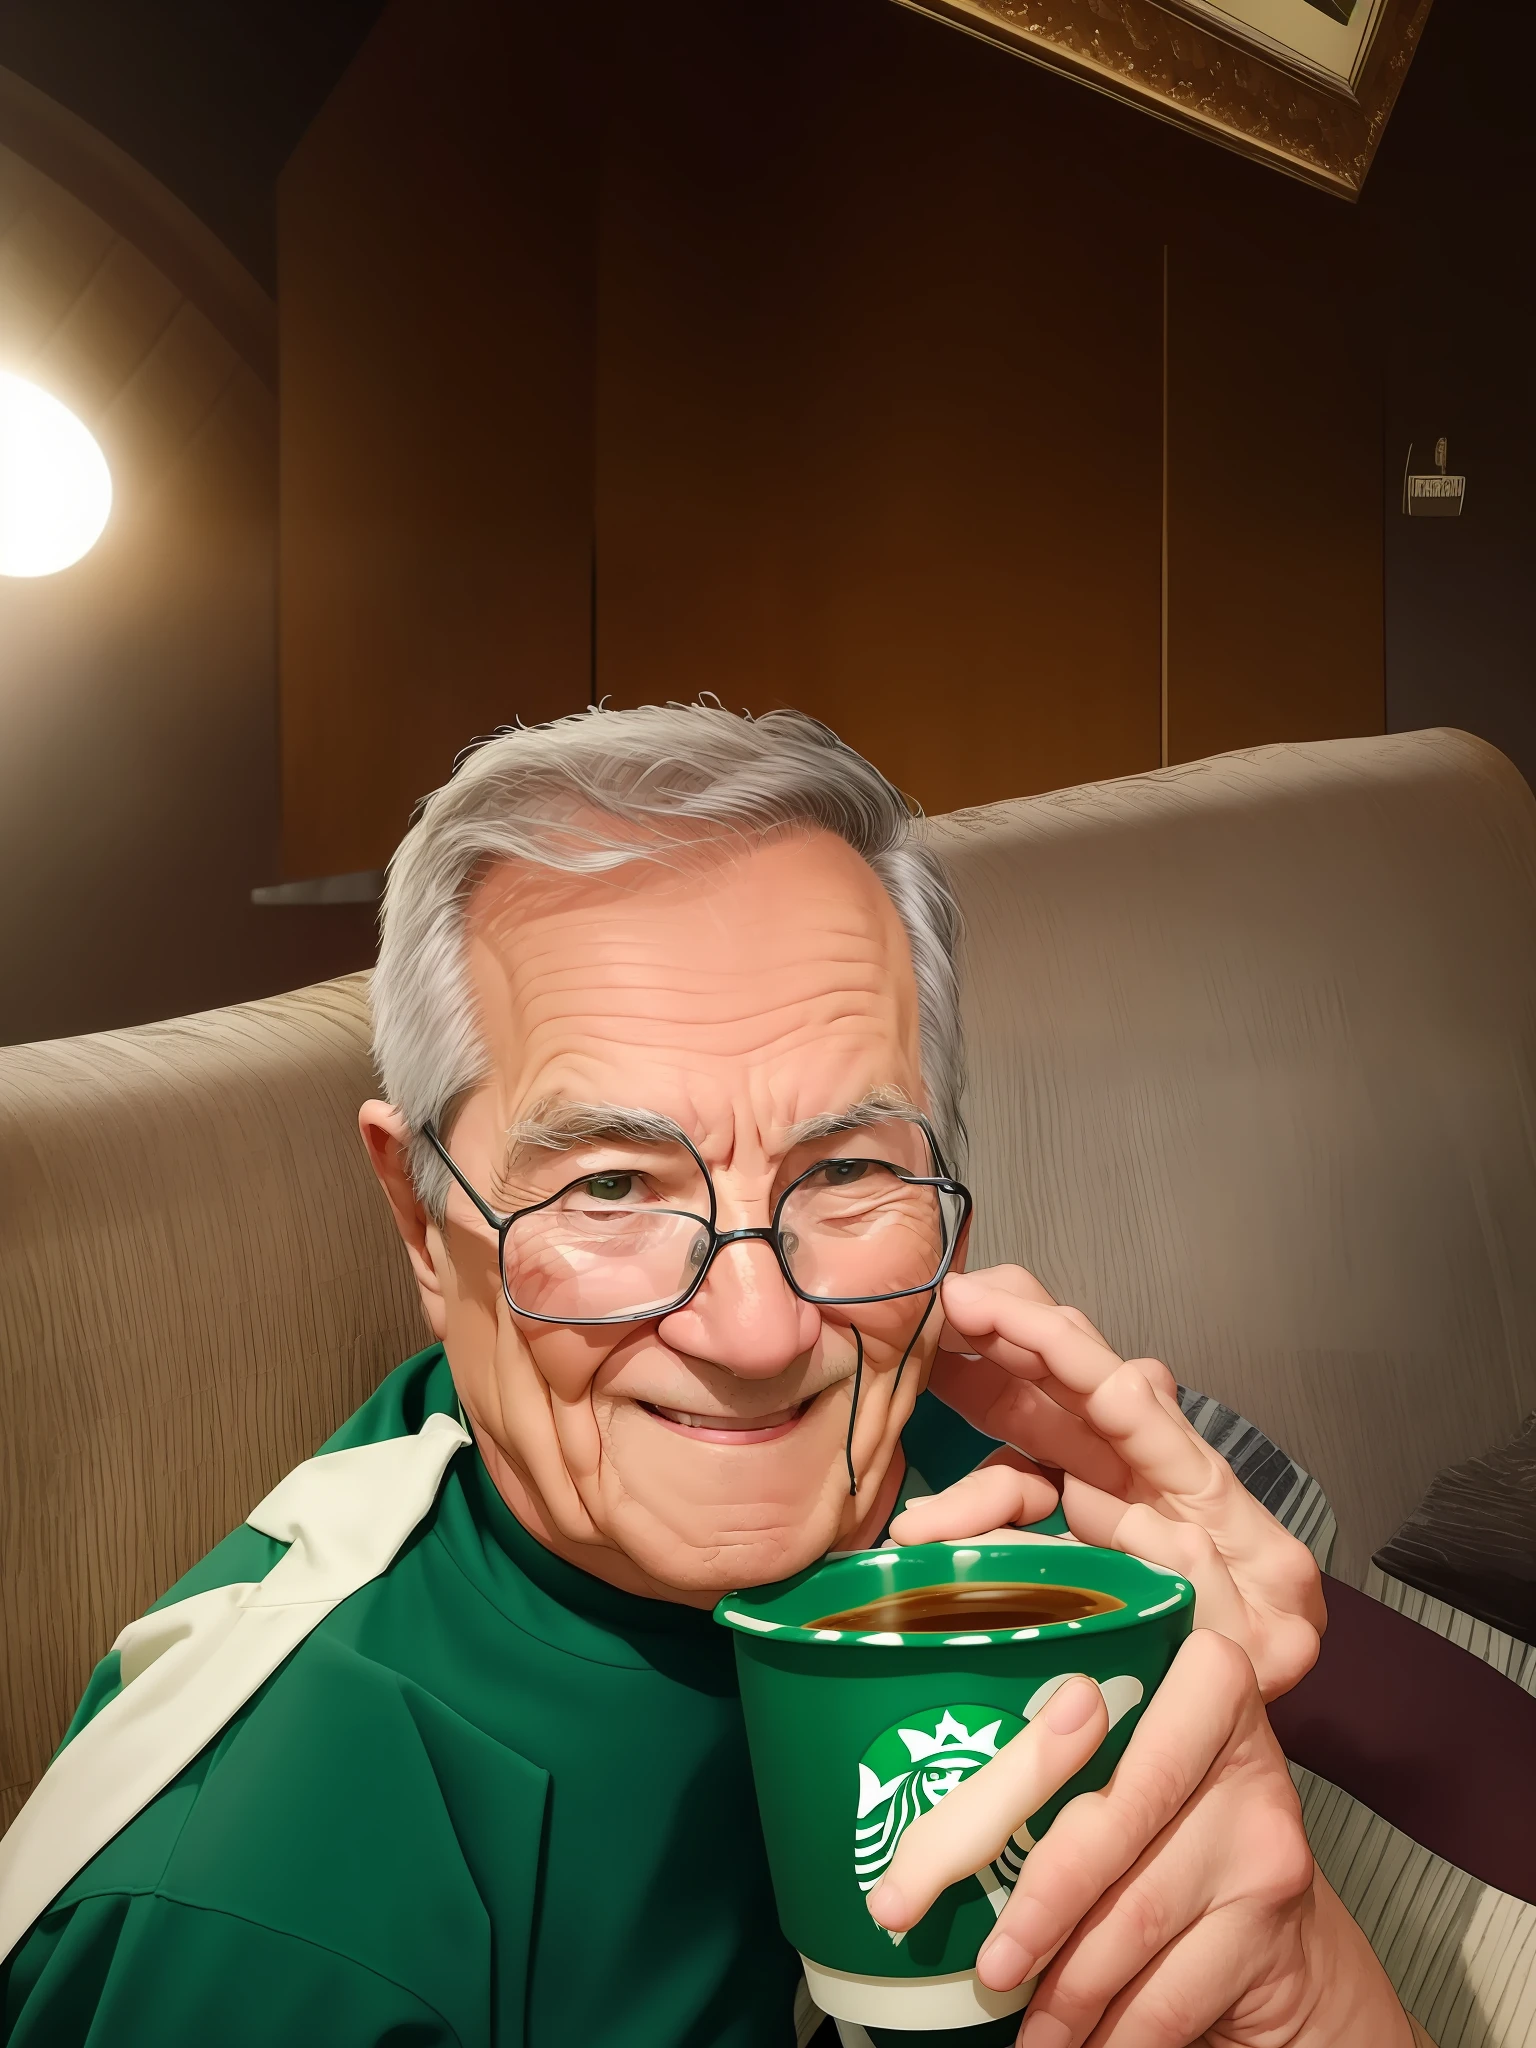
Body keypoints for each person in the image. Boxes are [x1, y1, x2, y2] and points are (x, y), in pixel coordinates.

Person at [0, 705, 1430, 2047]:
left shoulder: (1013, 1518)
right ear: (423, 1221)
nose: (756, 1333)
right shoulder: (261, 1910)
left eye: (848, 1171)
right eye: (614, 1186)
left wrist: (1306, 1986)